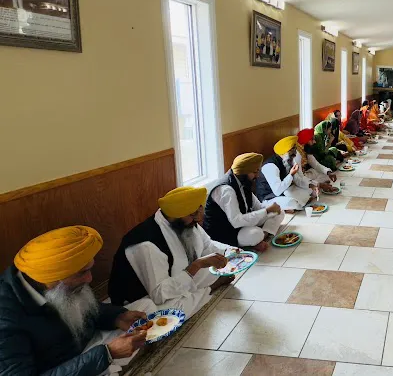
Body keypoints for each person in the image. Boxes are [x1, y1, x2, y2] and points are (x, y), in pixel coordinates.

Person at [1, 226, 148, 374]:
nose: (90, 279)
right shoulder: (5, 318)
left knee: (146, 308)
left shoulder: (54, 286)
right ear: (51, 278)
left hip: (85, 347)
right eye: (82, 273)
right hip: (61, 366)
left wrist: (117, 317)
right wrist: (107, 354)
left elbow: (82, 306)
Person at [109, 187, 235, 317]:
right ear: (176, 215)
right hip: (142, 297)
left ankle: (199, 292)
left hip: (175, 277)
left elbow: (208, 245)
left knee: (212, 269)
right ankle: (210, 289)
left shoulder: (186, 222)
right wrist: (196, 266)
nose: (199, 219)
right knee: (172, 312)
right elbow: (159, 294)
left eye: (199, 211)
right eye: (193, 214)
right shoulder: (147, 244)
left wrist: (230, 254)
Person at [205, 152, 285, 251]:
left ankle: (262, 237)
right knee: (255, 234)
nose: (258, 175)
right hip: (226, 231)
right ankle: (258, 238)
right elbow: (236, 221)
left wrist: (271, 208)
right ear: (244, 172)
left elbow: (258, 207)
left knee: (279, 212)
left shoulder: (243, 182)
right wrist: (267, 211)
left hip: (243, 224)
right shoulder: (227, 190)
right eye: (255, 172)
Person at [256, 135, 319, 212]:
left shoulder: (288, 160)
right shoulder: (271, 166)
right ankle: (287, 208)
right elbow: (277, 190)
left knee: (310, 191)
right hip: (268, 197)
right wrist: (291, 175)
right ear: (284, 152)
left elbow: (297, 180)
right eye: (292, 151)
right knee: (292, 202)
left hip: (284, 191)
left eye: (295, 150)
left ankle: (290, 208)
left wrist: (311, 185)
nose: (295, 154)